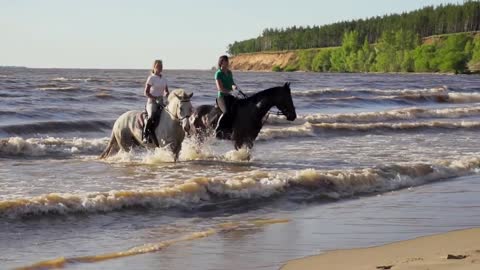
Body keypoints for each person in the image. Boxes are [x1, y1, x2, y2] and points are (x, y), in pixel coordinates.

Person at [214, 55, 240, 139]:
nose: (228, 62)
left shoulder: (229, 72)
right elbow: (220, 89)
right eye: (226, 61)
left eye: (228, 61)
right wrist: (229, 91)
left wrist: (234, 87)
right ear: (221, 62)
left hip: (229, 96)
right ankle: (217, 129)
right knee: (226, 112)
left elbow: (232, 83)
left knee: (239, 107)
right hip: (221, 97)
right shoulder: (218, 73)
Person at [143, 59, 169, 143]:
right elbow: (146, 92)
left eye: (161, 66)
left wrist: (167, 95)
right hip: (152, 101)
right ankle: (145, 135)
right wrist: (154, 98)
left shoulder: (164, 78)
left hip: (161, 101)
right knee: (151, 116)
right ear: (154, 67)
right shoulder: (151, 78)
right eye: (158, 66)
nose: (160, 68)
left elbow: (166, 91)